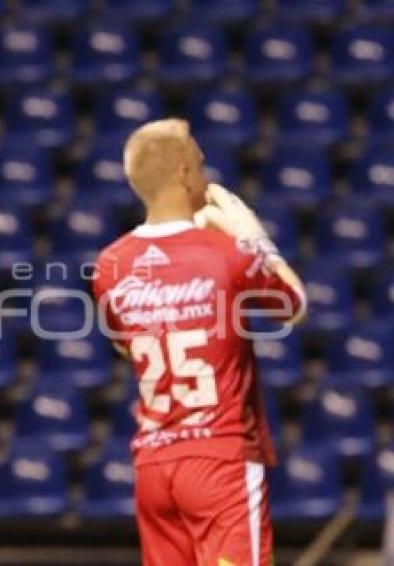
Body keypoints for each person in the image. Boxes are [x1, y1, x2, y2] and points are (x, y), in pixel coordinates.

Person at [92, 119, 307, 566]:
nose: (206, 170)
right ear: (185, 174)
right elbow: (293, 305)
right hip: (219, 459)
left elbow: (124, 344)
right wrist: (253, 236)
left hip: (154, 464)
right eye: (200, 161)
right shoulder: (223, 251)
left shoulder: (109, 265)